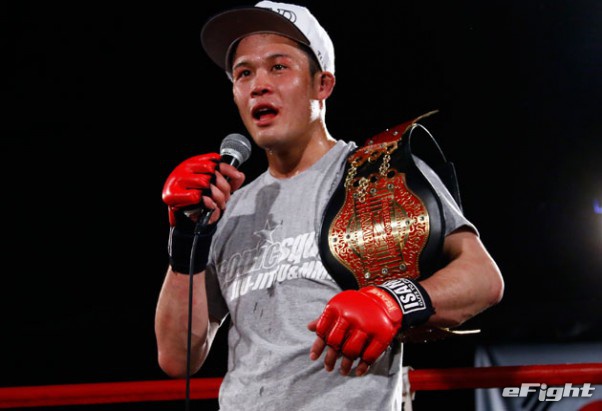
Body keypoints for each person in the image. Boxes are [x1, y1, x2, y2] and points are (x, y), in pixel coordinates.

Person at [155, 2, 504, 410]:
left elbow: (483, 278)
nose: (258, 85)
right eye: (244, 73)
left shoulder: (379, 174)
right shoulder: (230, 210)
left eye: (278, 67)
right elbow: (177, 358)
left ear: (322, 85)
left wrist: (391, 301)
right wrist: (186, 239)